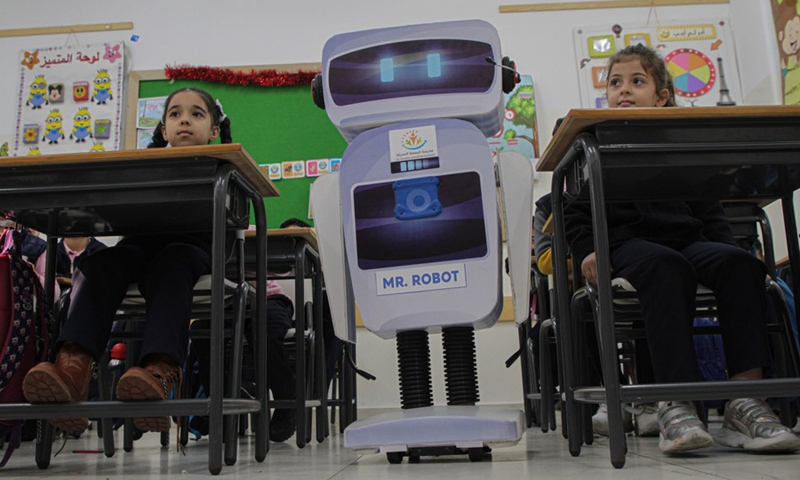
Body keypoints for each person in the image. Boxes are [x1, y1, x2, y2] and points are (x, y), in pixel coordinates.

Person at [563, 44, 800, 454]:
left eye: (637, 81)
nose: (623, 90)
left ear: (661, 96)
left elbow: (710, 210)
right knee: (665, 266)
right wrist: (587, 250)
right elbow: (573, 210)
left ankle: (745, 401)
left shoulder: (681, 141)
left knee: (741, 264)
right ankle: (676, 403)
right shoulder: (594, 144)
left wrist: (728, 252)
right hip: (628, 244)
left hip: (688, 240)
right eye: (615, 82)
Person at [22, 87, 231, 435]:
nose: (185, 120)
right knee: (101, 263)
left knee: (172, 264)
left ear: (213, 129)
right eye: (175, 114)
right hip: (138, 249)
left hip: (192, 252)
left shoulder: (225, 166)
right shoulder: (142, 167)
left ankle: (158, 373)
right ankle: (71, 370)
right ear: (164, 130)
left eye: (197, 114)